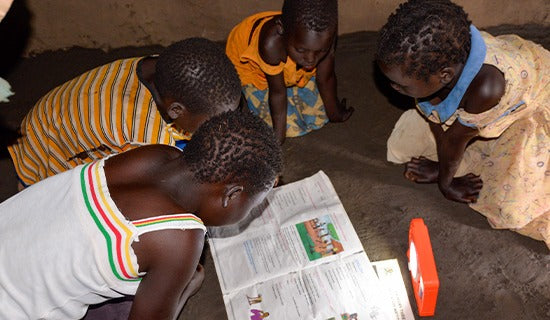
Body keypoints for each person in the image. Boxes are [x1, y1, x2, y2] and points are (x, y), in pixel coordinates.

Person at [0, 109, 283, 319]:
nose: (251, 212)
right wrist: (187, 285)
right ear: (232, 195)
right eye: (253, 205)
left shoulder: (156, 155)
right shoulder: (180, 239)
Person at [376, 0, 549, 247]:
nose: (392, 88)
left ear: (444, 75)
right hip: (475, 95)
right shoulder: (435, 61)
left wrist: (446, 182)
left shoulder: (487, 88)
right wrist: (443, 155)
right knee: (400, 147)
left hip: (535, 100)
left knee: (509, 206)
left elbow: (454, 139)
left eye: (401, 85)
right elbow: (435, 113)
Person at [8, 37, 242, 188]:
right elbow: (156, 187)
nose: (220, 128)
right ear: (176, 110)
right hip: (47, 155)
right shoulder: (143, 133)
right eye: (210, 123)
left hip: (46, 119)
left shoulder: (164, 68)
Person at [225, 0, 354, 144]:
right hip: (259, 75)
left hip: (292, 69)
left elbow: (326, 78)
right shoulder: (270, 43)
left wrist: (335, 114)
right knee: (285, 127)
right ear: (281, 29)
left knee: (319, 115)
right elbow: (278, 93)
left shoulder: (323, 37)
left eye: (320, 51)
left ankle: (294, 76)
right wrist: (277, 140)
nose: (311, 60)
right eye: (301, 50)